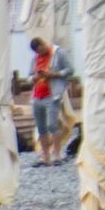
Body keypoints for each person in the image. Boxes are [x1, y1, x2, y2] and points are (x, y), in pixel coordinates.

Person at [28, 35, 73, 166]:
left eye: (41, 50)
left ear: (44, 44)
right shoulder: (35, 59)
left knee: (52, 124)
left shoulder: (58, 53)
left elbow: (70, 70)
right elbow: (29, 76)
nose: (40, 53)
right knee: (41, 126)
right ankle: (45, 155)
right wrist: (35, 77)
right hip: (37, 95)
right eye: (37, 52)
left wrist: (54, 74)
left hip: (52, 94)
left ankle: (57, 154)